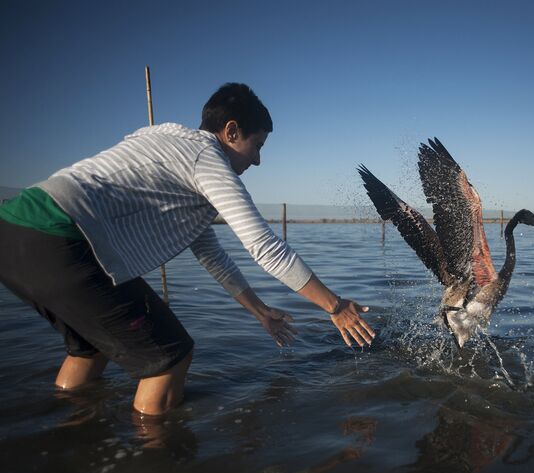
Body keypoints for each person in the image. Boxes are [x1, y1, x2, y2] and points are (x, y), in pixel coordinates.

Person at [0, 83, 375, 416]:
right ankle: (157, 471)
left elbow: (210, 252)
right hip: (60, 235)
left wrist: (261, 312)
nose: (258, 160)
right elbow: (263, 246)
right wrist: (335, 306)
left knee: (90, 348)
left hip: (13, 233)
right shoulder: (206, 158)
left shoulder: (163, 140)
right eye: (256, 146)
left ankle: (67, 436)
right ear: (231, 131)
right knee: (171, 355)